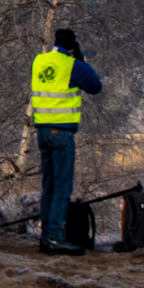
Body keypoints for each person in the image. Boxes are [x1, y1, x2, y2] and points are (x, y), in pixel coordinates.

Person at [30, 27, 102, 255]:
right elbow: (95, 86)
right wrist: (79, 58)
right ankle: (54, 236)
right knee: (62, 186)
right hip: (61, 132)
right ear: (72, 45)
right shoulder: (71, 64)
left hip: (42, 130)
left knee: (49, 186)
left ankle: (46, 235)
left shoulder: (39, 61)